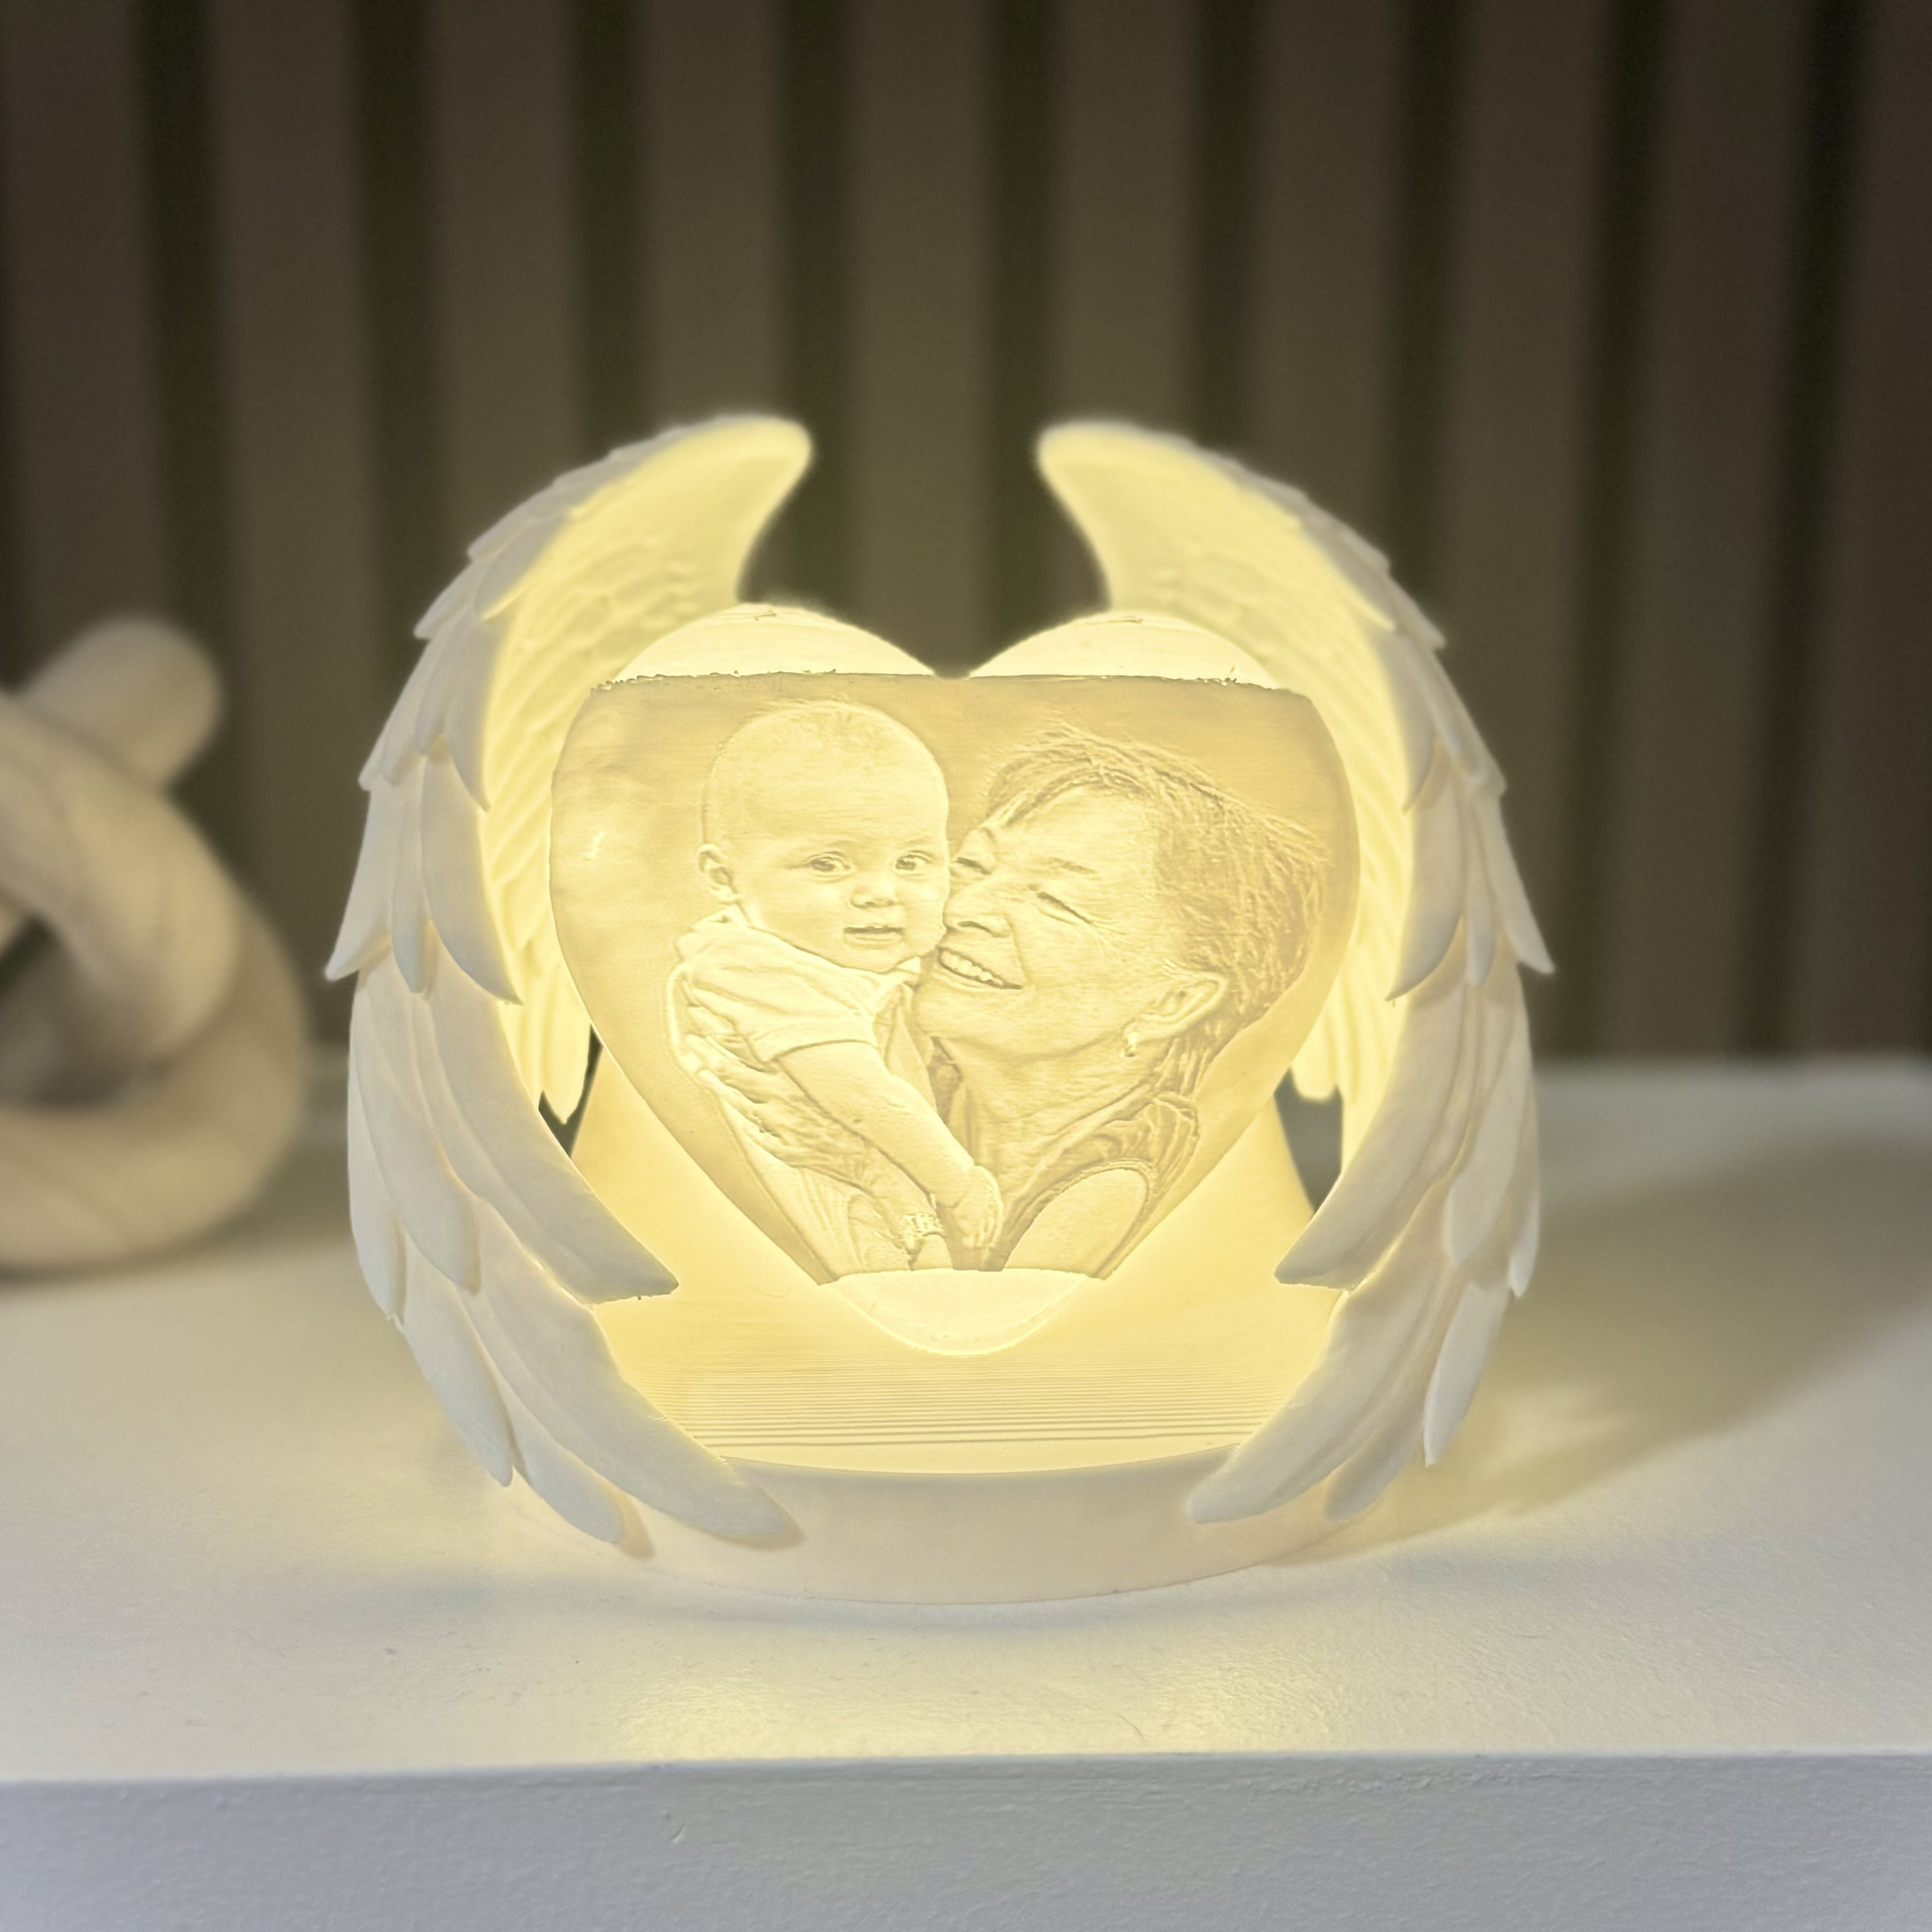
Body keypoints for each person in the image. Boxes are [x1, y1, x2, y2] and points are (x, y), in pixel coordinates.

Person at [719, 724, 1327, 1278]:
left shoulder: (1118, 1174)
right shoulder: (881, 1055)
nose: (962, 908)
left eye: (1054, 901)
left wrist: (869, 1169)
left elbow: (968, 1331)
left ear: (1174, 1002)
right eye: (971, 866)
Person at [668, 700, 1003, 1276]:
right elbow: (865, 1098)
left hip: (884, 1183)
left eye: (911, 860)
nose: (880, 892)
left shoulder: (839, 958)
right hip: (820, 1198)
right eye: (828, 864)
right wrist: (961, 1184)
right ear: (724, 878)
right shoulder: (757, 971)